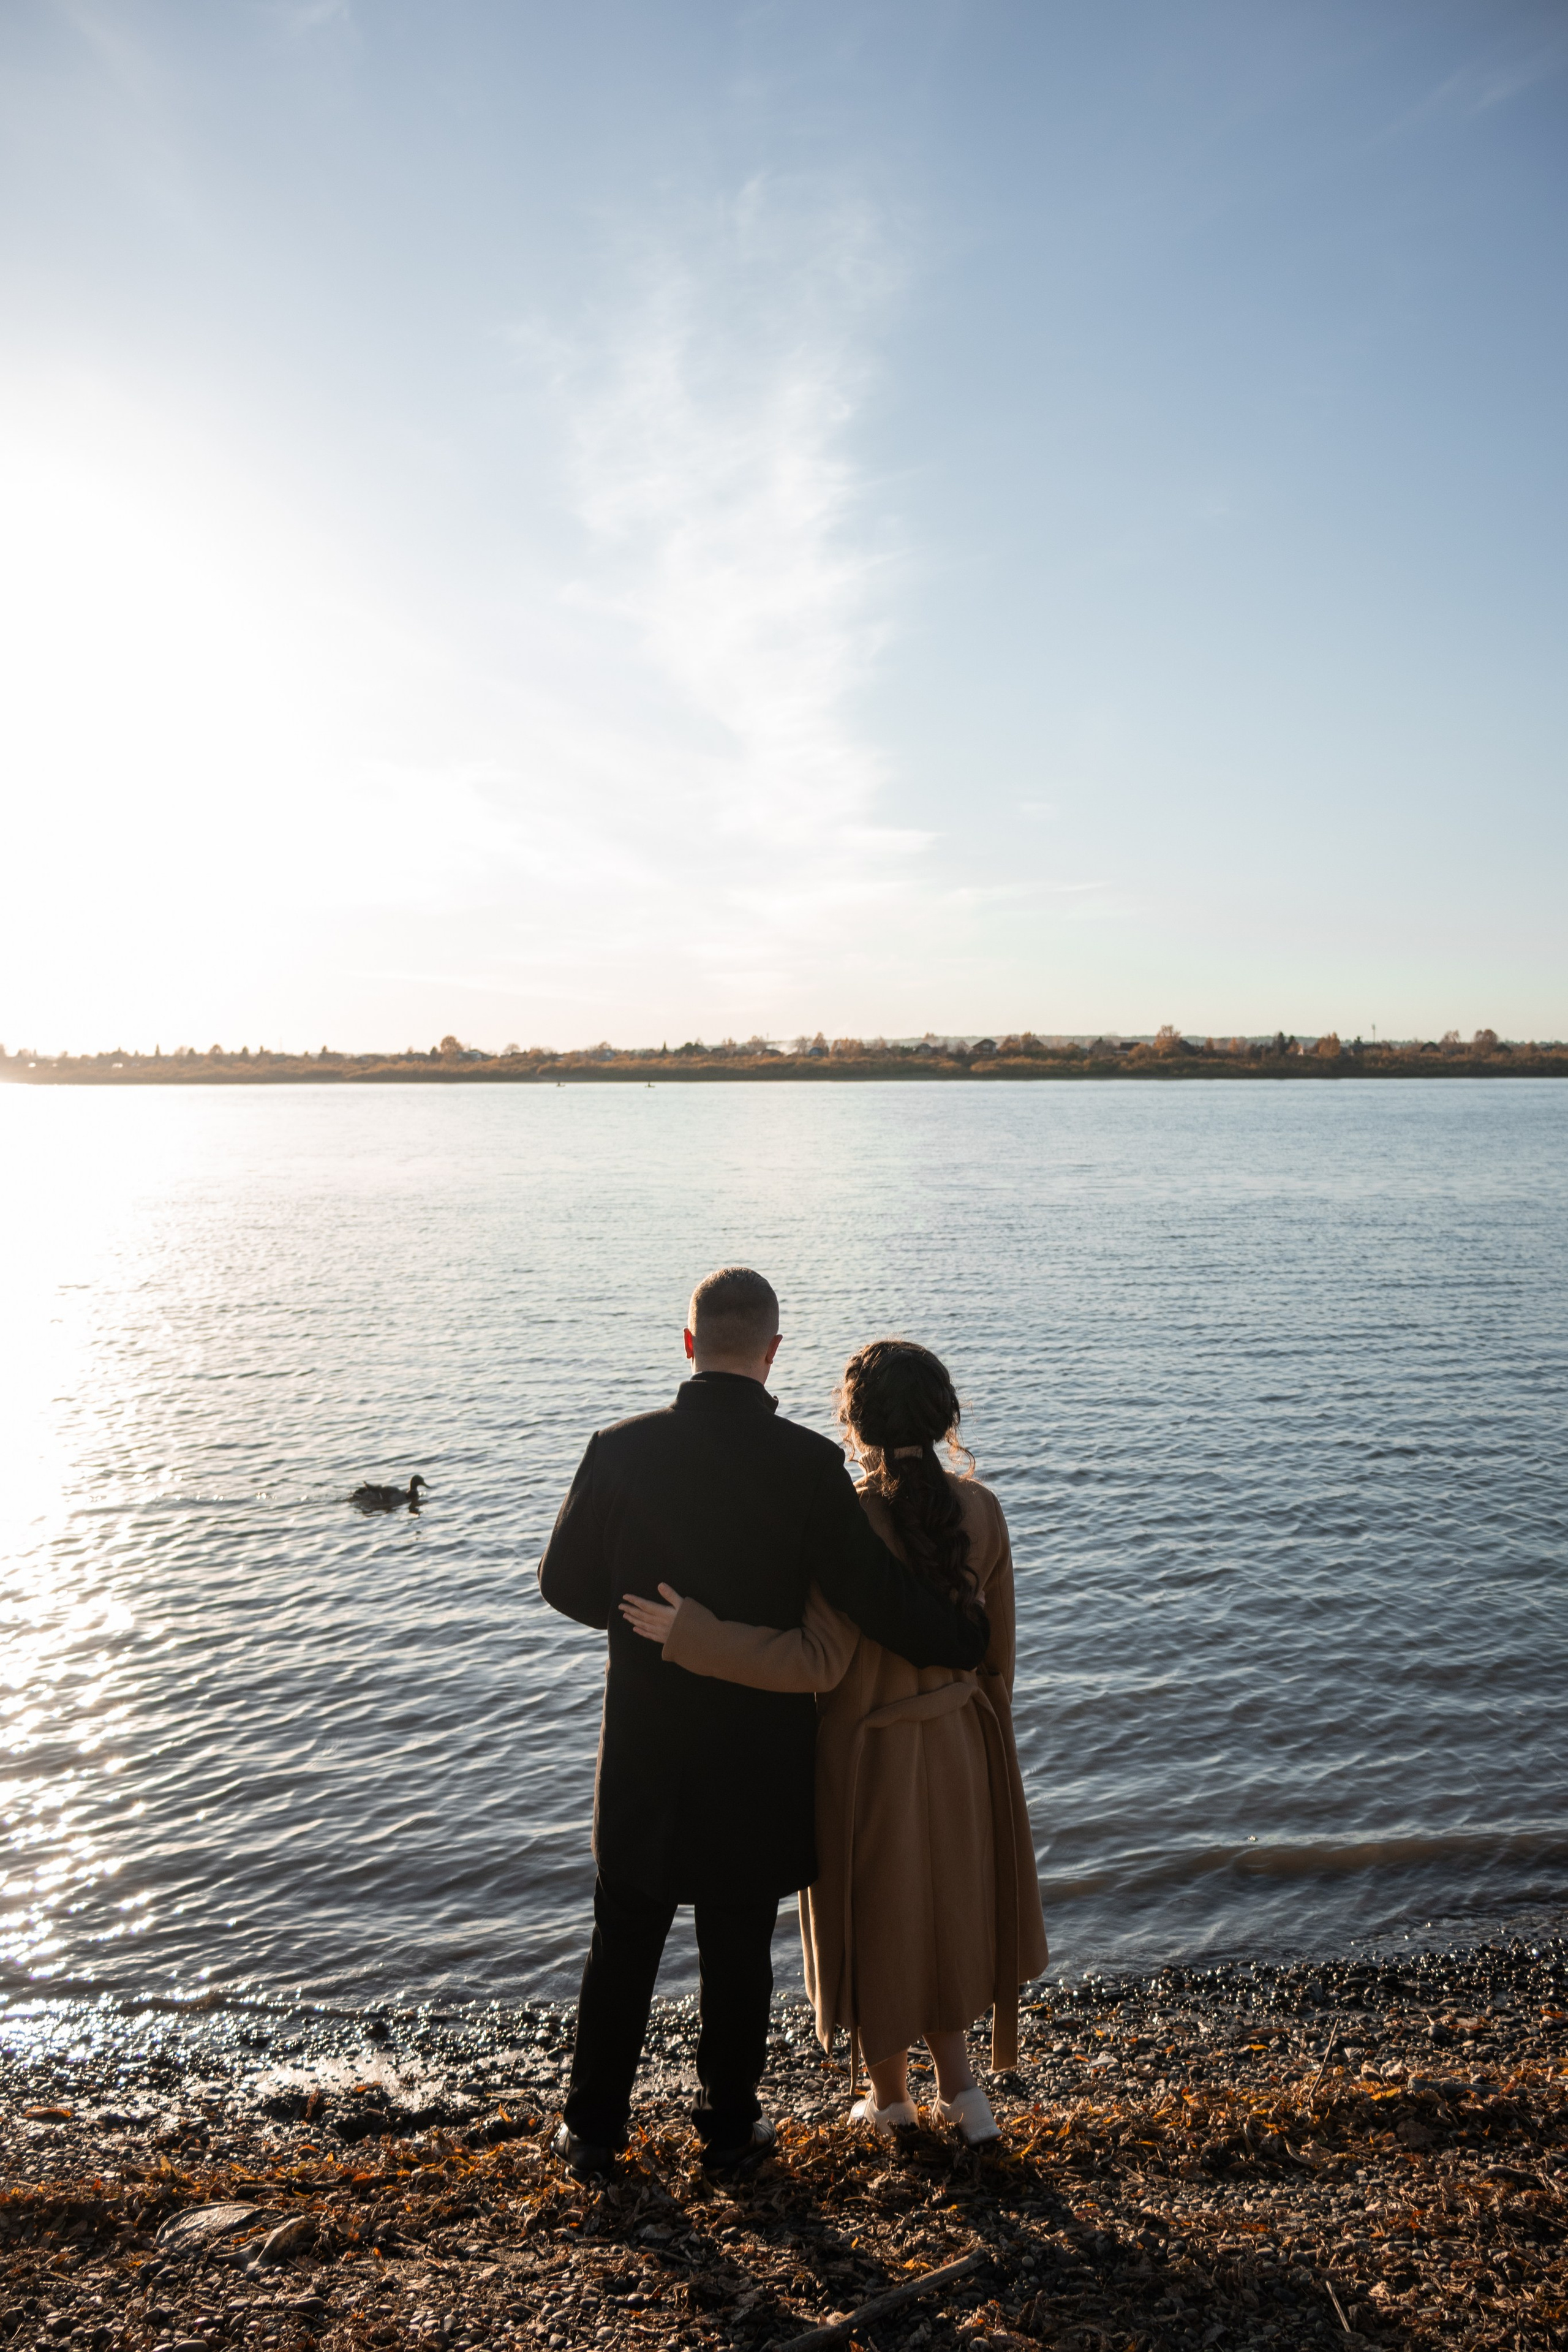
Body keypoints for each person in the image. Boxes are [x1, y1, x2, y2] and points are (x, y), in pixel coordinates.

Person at [537, 1270, 990, 2177]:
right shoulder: (805, 1465)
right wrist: (963, 1633)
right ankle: (730, 2130)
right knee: (737, 1949)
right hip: (758, 1751)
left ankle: (592, 2132)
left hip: (645, 1746)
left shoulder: (619, 1450)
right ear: (773, 1352)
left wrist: (640, 1619)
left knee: (623, 1938)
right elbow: (874, 1597)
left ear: (689, 1343)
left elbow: (560, 1584)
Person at [620, 1336, 1047, 2146]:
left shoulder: (847, 1516)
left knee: (879, 1919)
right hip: (960, 1740)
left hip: (866, 1753)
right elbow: (1000, 1661)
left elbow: (815, 1660)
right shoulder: (982, 1509)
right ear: (945, 1417)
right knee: (947, 1912)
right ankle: (967, 2098)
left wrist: (696, 1635)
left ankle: (890, 2103)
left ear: (852, 1424)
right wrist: (980, 1745)